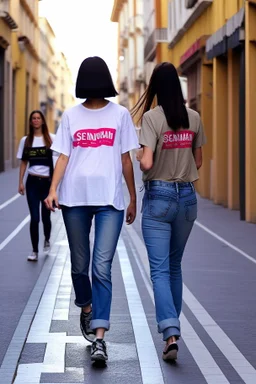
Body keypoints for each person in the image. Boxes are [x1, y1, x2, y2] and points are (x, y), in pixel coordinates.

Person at [44, 56, 139, 363]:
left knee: (102, 267)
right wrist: (53, 189)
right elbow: (63, 157)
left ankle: (99, 336)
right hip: (74, 199)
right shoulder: (71, 116)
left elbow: (126, 159)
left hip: (109, 200)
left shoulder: (120, 114)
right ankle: (86, 307)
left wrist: (132, 197)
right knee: (78, 265)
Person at [132, 62, 206, 361]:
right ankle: (172, 331)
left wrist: (140, 153)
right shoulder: (195, 117)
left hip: (159, 198)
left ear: (156, 88)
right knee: (175, 266)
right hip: (187, 198)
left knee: (160, 270)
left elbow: (147, 163)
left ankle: (170, 332)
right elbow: (198, 162)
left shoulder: (152, 118)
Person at [17, 110, 55, 261]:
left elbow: (58, 160)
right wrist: (20, 182)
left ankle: (47, 239)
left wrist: (55, 186)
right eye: (33, 118)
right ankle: (34, 251)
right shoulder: (25, 141)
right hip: (32, 182)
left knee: (46, 217)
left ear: (43, 121)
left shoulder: (51, 139)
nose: (36, 120)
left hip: (47, 183)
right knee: (34, 218)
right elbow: (24, 162)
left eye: (39, 118)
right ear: (31, 121)